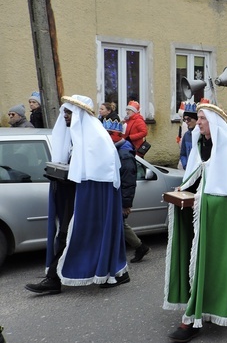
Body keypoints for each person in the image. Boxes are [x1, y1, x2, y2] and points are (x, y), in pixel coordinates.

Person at [164, 103, 227, 343]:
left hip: (223, 219)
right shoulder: (201, 144)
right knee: (203, 262)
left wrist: (203, 199)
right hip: (205, 213)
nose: (197, 123)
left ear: (214, 122)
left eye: (202, 119)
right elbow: (200, 174)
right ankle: (208, 305)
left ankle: (194, 318)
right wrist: (185, 189)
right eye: (197, 119)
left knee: (216, 264)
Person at [25, 95, 128, 295]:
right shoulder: (77, 139)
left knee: (74, 236)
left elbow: (98, 175)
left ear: (80, 115)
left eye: (69, 113)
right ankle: (55, 278)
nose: (65, 116)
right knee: (64, 235)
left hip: (90, 201)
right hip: (75, 197)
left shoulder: (97, 140)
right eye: (64, 112)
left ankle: (55, 279)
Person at [103, 119, 151, 266]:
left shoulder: (124, 154)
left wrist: (126, 204)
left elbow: (129, 182)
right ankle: (139, 247)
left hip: (119, 196)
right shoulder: (116, 149)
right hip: (114, 194)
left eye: (108, 134)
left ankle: (139, 247)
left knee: (119, 223)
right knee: (119, 224)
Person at [179, 103, 198, 169]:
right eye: (185, 119)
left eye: (189, 119)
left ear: (196, 120)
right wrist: (185, 165)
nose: (186, 121)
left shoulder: (202, 135)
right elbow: (183, 154)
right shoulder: (186, 135)